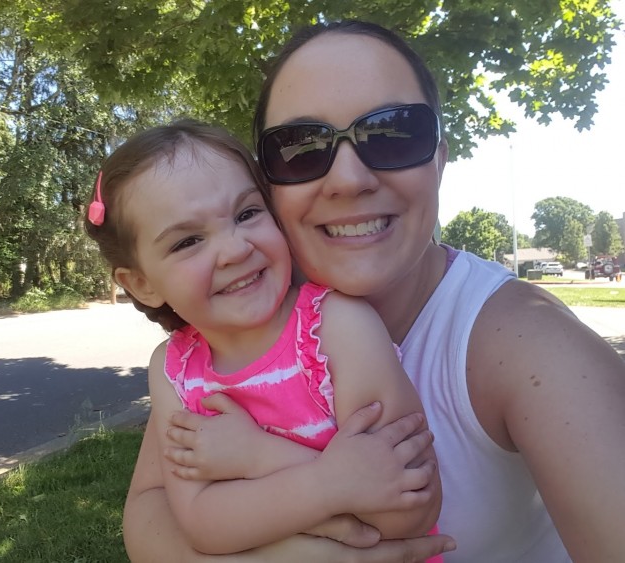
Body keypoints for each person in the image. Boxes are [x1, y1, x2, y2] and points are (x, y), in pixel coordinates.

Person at [121, 20, 625, 563]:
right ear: (269, 184)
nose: (348, 180)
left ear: (438, 159)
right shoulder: (244, 328)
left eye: (391, 133)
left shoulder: (532, 345)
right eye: (302, 147)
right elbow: (149, 520)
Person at [85, 119, 443, 557]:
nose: (235, 249)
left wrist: (260, 458)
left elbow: (409, 509)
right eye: (188, 241)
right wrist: (334, 482)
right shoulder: (174, 373)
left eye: (247, 214)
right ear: (141, 283)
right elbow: (202, 525)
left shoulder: (336, 330)